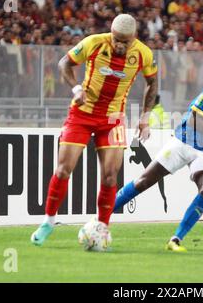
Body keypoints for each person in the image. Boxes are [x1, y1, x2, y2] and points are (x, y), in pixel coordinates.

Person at [31, 14, 158, 246]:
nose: (119, 45)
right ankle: (48, 221)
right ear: (111, 32)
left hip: (113, 119)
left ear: (134, 38)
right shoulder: (94, 42)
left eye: (124, 41)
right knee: (63, 170)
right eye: (116, 39)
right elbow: (64, 63)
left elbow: (153, 82)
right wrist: (76, 89)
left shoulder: (143, 54)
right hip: (81, 114)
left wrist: (145, 116)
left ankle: (102, 228)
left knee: (110, 176)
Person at [113, 56, 203, 252]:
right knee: (143, 182)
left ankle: (176, 239)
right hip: (184, 141)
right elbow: (192, 121)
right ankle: (98, 219)